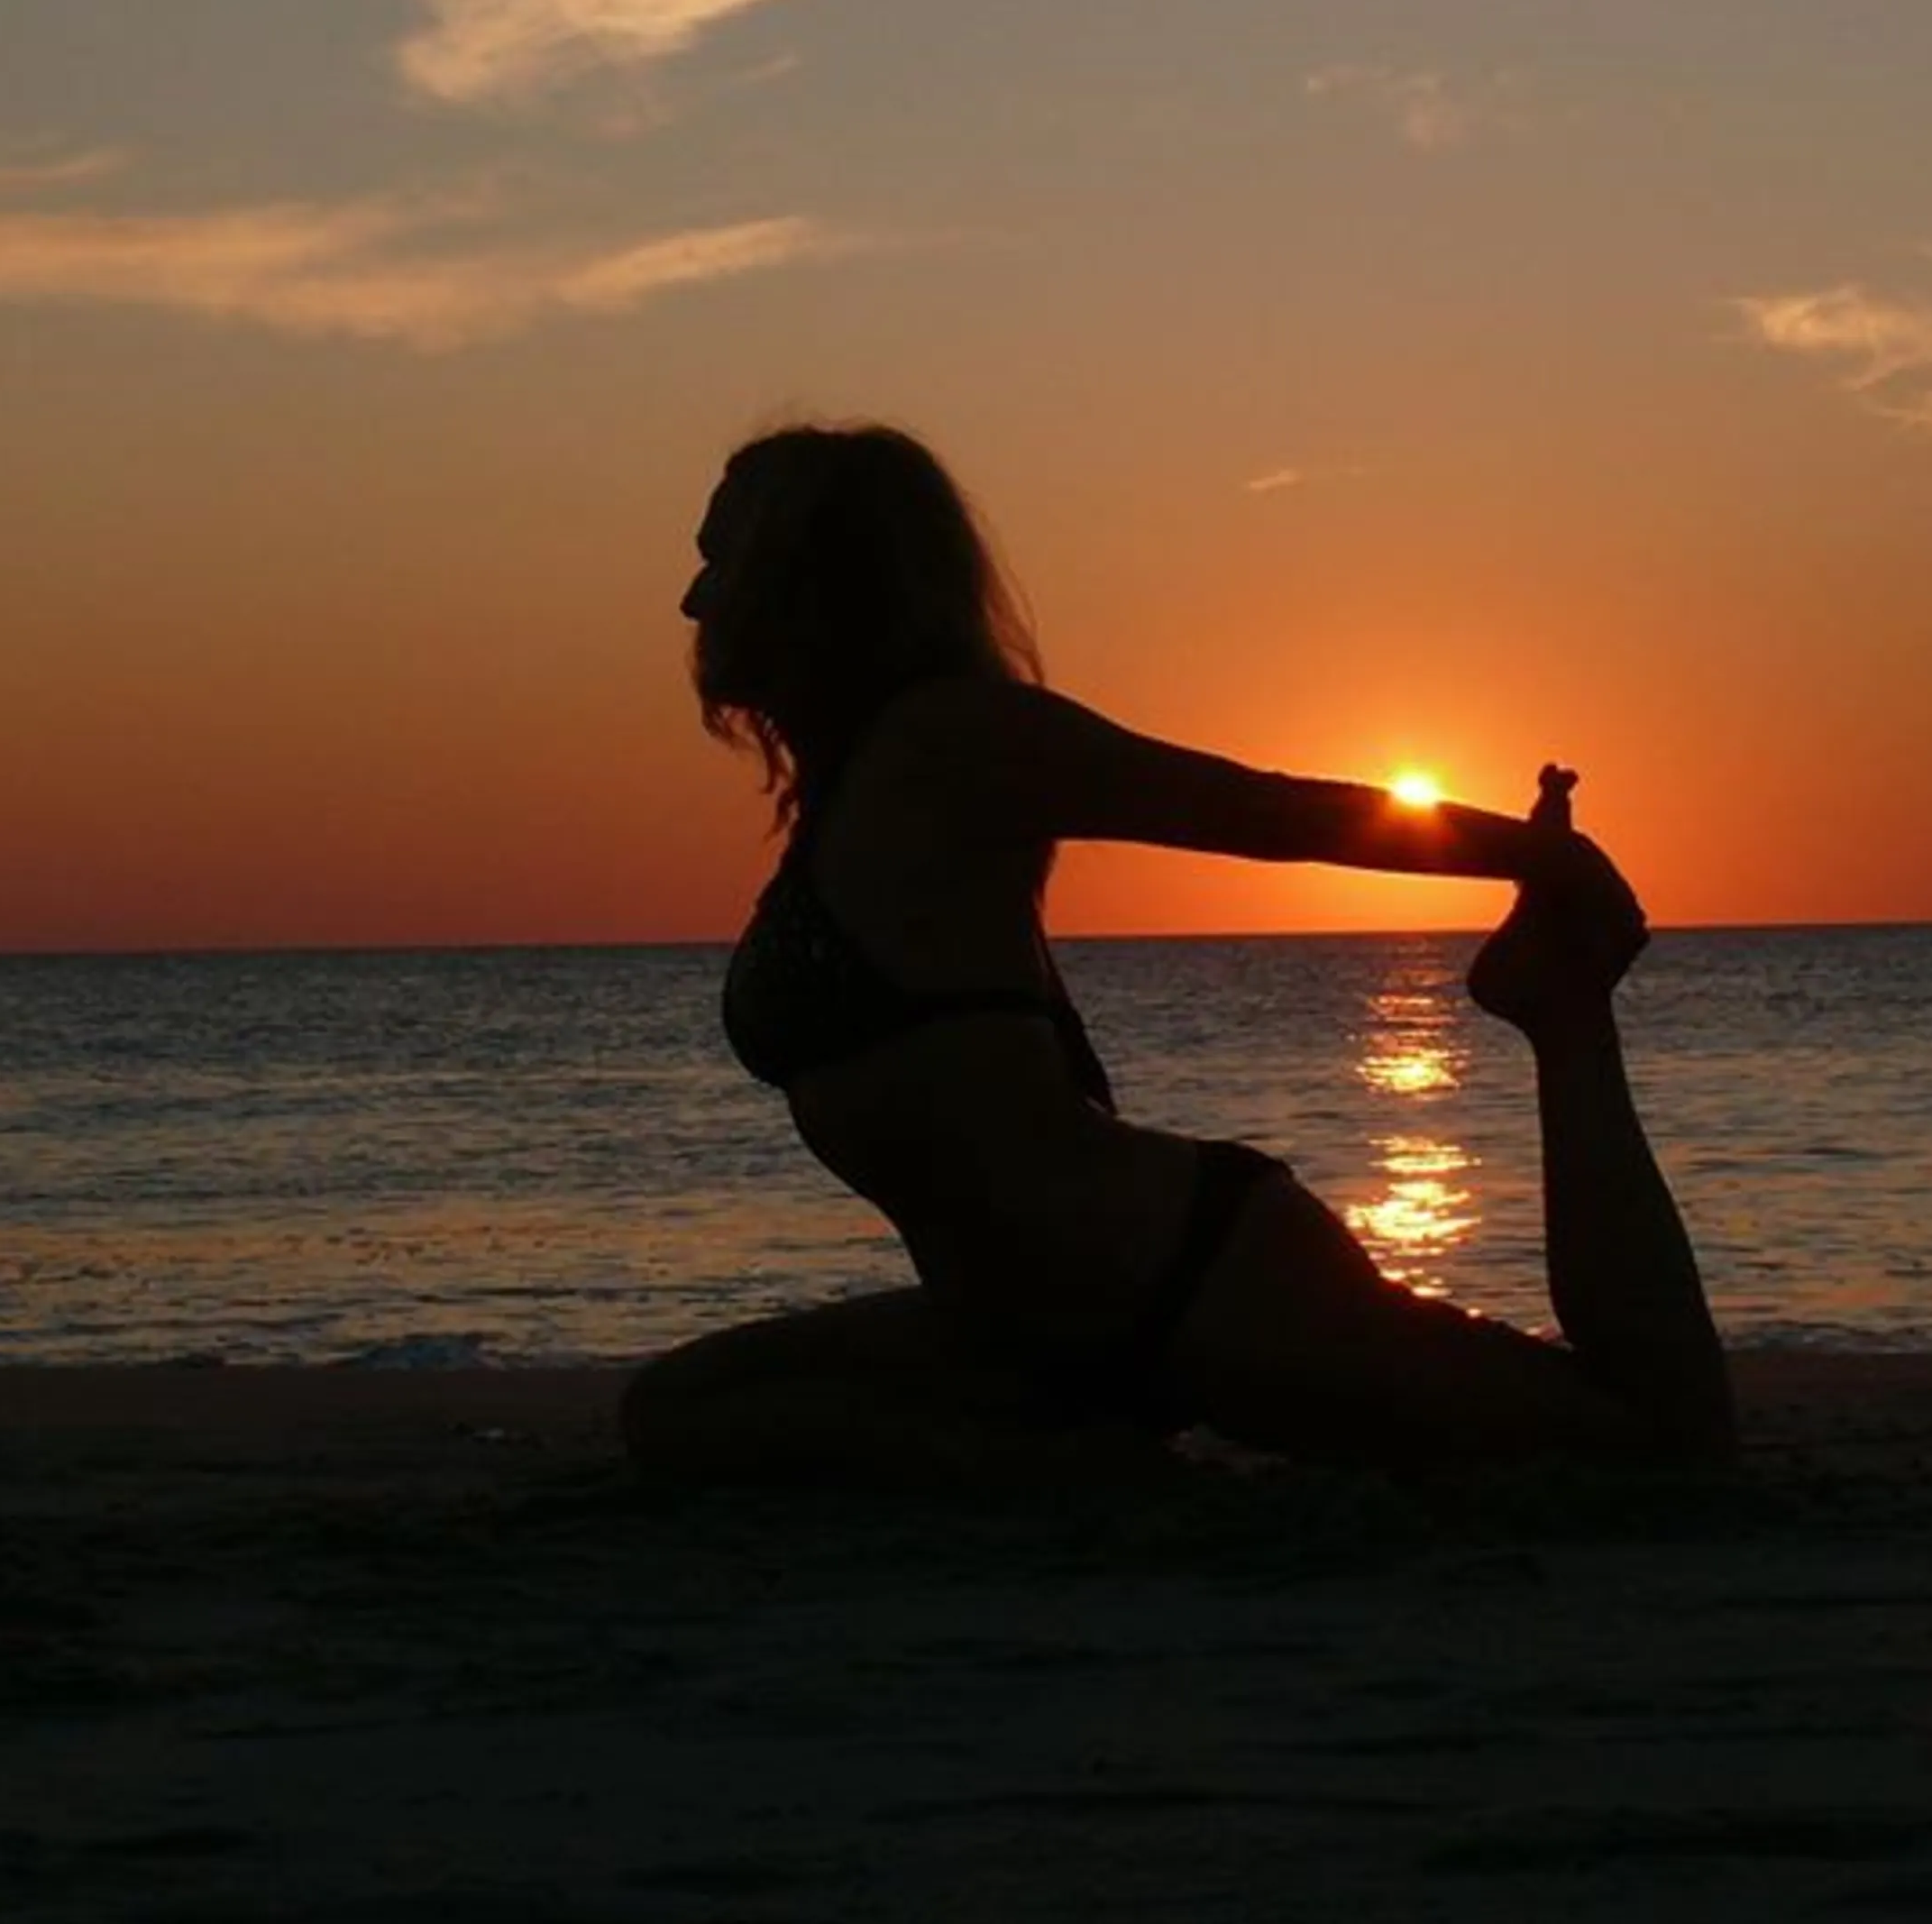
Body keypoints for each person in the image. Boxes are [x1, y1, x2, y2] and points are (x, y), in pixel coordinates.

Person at [616, 422, 1733, 1482]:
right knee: (679, 1412)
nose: (691, 599)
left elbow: (1262, 812)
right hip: (1007, 1324)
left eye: (721, 562)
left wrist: (1541, 865)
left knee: (1645, 1442)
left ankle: (1565, 1018)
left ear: (810, 582)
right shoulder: (853, 786)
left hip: (1182, 1282)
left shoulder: (957, 741)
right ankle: (1054, 1470)